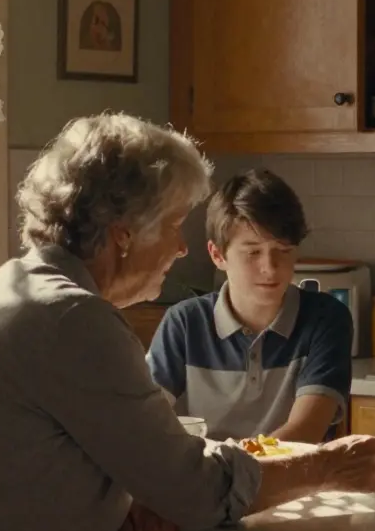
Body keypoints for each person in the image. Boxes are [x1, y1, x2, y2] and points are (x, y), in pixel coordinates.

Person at [0, 114, 375, 531]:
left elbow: (118, 460)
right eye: (172, 226)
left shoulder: (11, 288)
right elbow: (198, 490)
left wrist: (140, 497)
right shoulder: (73, 320)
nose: (182, 248)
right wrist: (329, 464)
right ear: (125, 235)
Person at [146, 169, 350, 444]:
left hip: (292, 482)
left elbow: (305, 431)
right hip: (206, 483)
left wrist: (232, 471)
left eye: (283, 250)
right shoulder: (184, 323)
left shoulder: (325, 318)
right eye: (253, 252)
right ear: (217, 255)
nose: (270, 268)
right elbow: (144, 421)